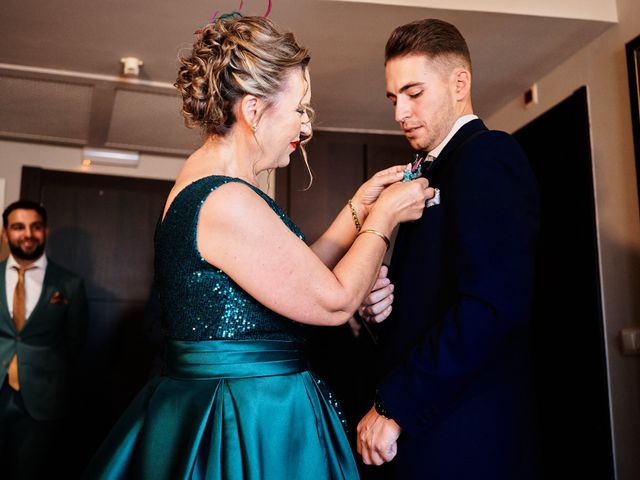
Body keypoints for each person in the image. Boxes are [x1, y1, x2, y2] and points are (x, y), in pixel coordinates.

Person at [84, 15, 433, 479]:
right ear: (252, 110)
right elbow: (334, 301)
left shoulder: (211, 184)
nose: (305, 128)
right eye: (300, 109)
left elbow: (294, 273)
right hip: (245, 416)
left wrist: (357, 209)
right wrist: (386, 216)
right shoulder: (226, 199)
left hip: (238, 400)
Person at [356, 18, 540, 479]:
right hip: (431, 425)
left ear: (460, 83)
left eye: (413, 94)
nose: (400, 112)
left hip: (464, 430)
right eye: (394, 98)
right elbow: (434, 301)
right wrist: (380, 314)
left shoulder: (488, 155)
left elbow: (492, 304)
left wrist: (395, 405)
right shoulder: (427, 174)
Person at [0, 200, 89, 479]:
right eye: (18, 227)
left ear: (45, 231)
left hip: (43, 400)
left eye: (35, 227)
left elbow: (75, 342)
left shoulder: (69, 284)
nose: (28, 234)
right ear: (5, 234)